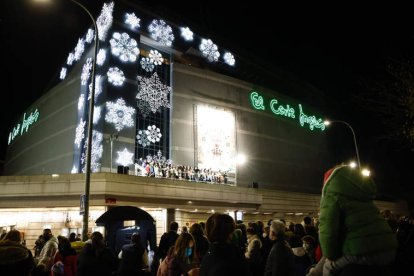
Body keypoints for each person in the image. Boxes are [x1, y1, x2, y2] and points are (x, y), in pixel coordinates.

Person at [315, 165, 398, 275]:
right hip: (389, 250)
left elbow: (328, 232)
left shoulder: (332, 197)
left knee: (328, 268)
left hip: (362, 252)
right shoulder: (364, 197)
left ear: (328, 183)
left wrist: (331, 255)